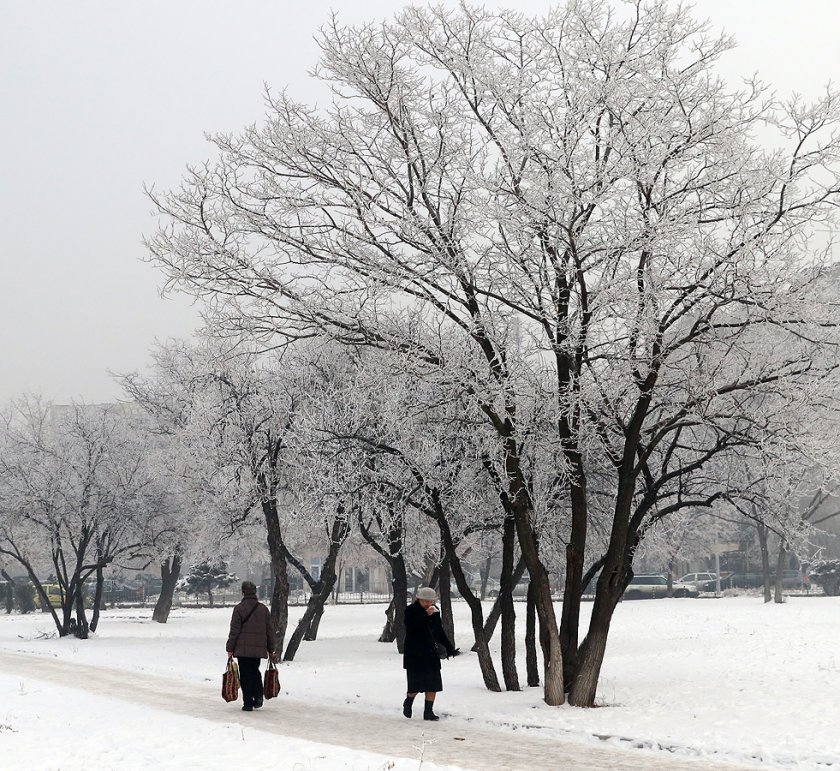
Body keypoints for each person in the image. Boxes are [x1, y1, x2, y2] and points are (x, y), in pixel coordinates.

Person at [402, 587, 459, 721]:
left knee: (433, 684)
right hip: (415, 654)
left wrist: (449, 648)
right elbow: (411, 627)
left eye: (430, 601)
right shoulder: (411, 610)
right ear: (419, 600)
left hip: (430, 653)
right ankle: (408, 702)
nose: (428, 604)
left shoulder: (434, 611)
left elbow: (439, 631)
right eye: (425, 601)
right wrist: (425, 615)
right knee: (415, 686)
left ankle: (428, 712)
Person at [226, 580, 276, 712]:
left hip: (242, 650)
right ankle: (258, 696)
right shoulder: (263, 609)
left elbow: (234, 631)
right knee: (255, 671)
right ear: (255, 592)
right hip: (258, 648)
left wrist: (230, 648)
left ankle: (248, 702)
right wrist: (271, 649)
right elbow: (269, 631)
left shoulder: (239, 609)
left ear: (243, 592)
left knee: (245, 674)